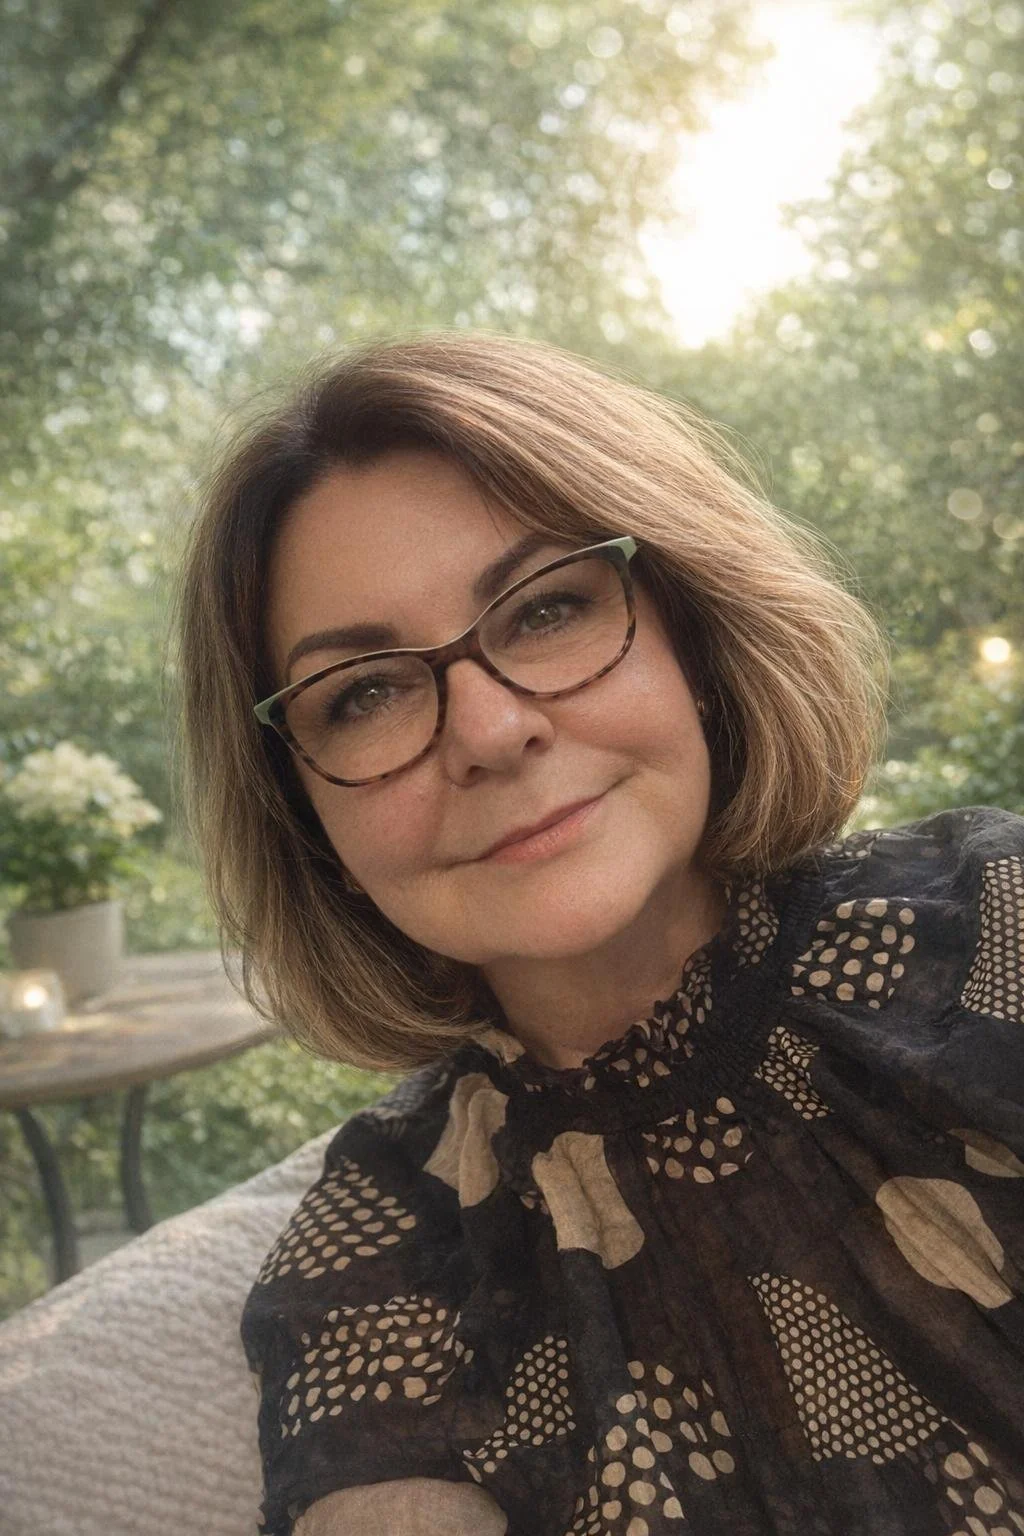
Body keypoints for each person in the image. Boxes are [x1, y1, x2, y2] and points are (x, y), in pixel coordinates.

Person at [176, 332, 1024, 1536]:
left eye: (547, 609)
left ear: (694, 632)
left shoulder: (999, 919)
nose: (488, 728)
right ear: (304, 814)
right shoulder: (384, 1251)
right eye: (362, 693)